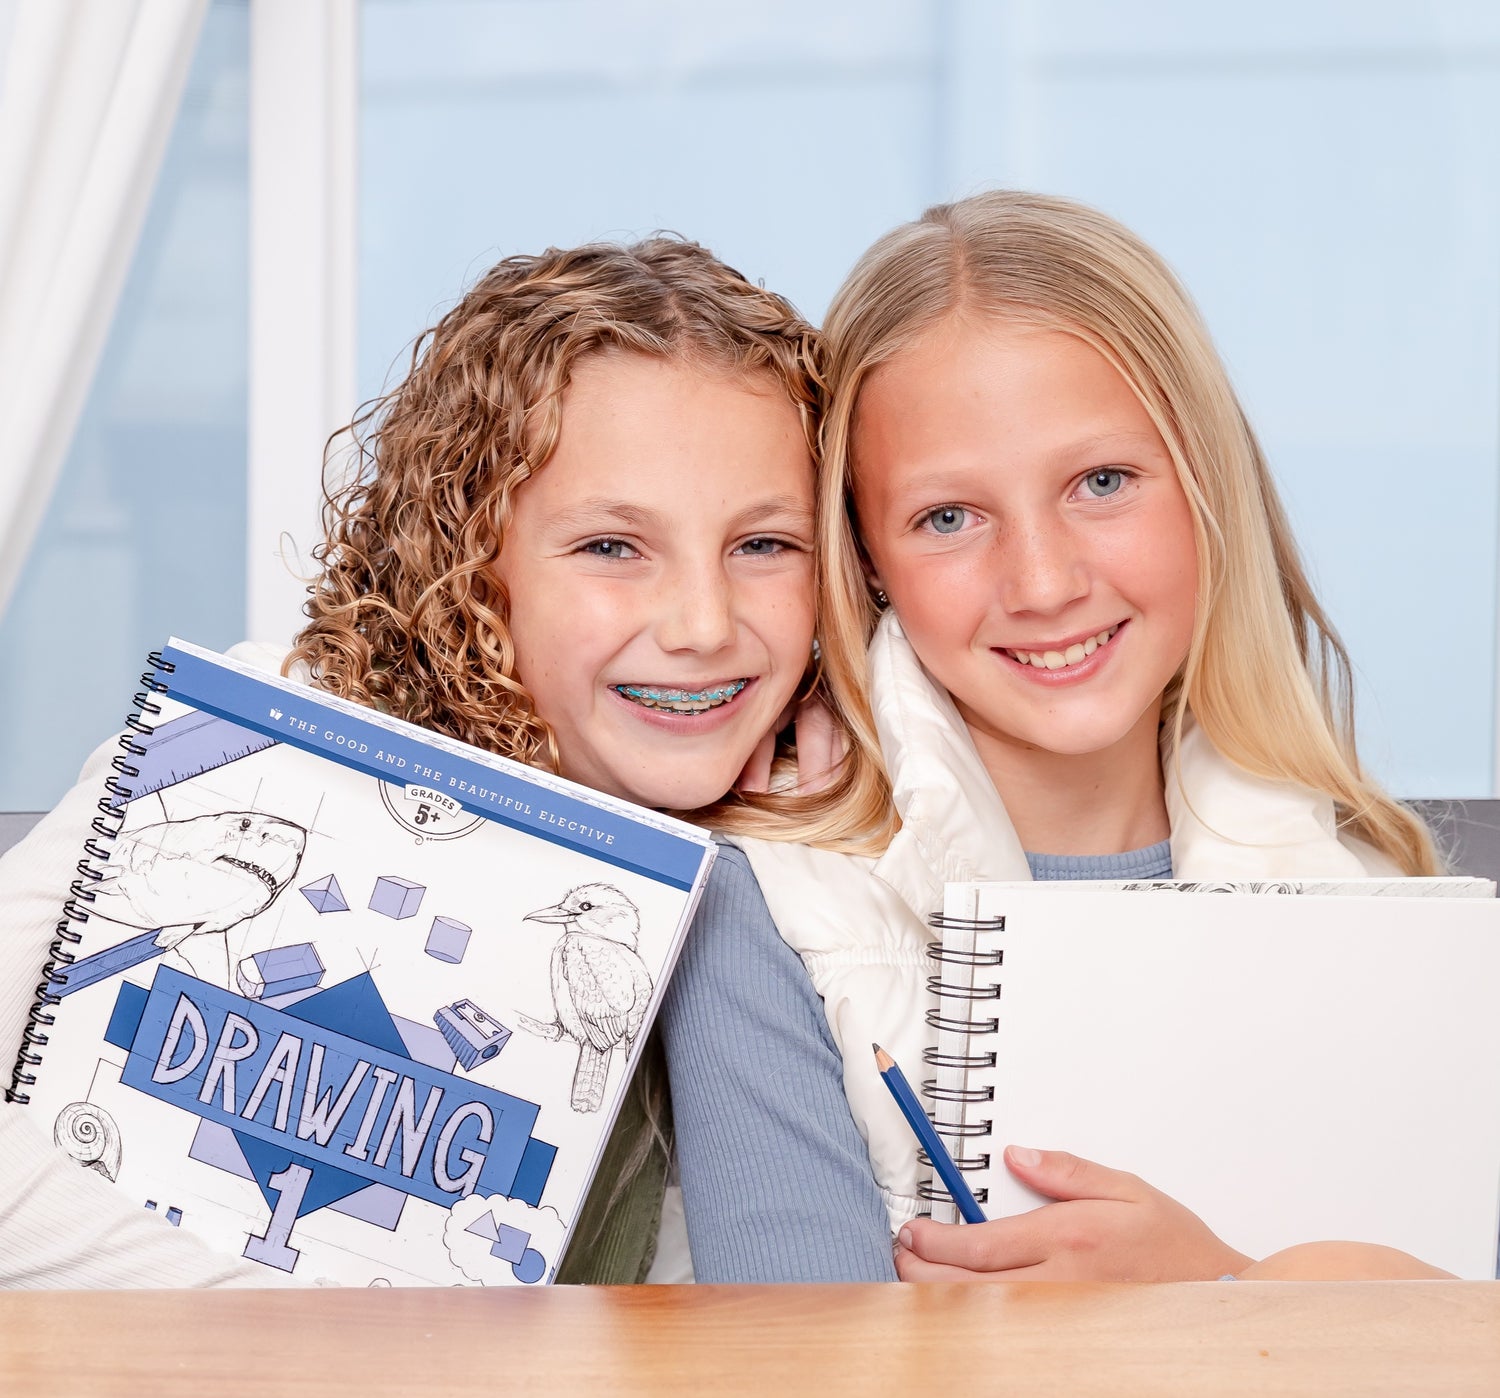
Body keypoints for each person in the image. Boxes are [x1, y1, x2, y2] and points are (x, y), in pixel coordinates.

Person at [0, 235, 884, 1289]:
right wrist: (304, 1346)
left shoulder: (795, 848)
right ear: (469, 553)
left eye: (765, 546)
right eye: (611, 546)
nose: (703, 624)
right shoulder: (243, 747)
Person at [662, 190, 1453, 1283]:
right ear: (868, 561)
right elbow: (795, 1390)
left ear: (1207, 487)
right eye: (949, 517)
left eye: (1102, 482)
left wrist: (1211, 1291)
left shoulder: (1381, 904)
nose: (1042, 583)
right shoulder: (766, 907)